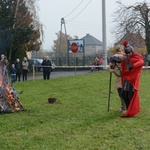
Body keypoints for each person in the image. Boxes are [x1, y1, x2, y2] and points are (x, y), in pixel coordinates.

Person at [113, 40, 144, 117]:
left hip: (133, 78)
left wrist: (133, 66)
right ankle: (128, 108)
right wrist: (114, 57)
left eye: (129, 53)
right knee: (124, 94)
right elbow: (121, 57)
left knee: (130, 94)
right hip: (127, 77)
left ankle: (131, 109)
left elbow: (141, 62)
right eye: (127, 53)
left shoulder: (137, 56)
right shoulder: (126, 57)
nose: (128, 55)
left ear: (132, 51)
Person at [109, 45, 126, 113]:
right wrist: (111, 67)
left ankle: (125, 108)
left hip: (124, 79)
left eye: (120, 51)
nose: (118, 53)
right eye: (117, 51)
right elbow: (112, 67)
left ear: (122, 51)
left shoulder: (124, 59)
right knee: (120, 95)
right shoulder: (115, 59)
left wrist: (114, 71)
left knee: (124, 94)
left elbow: (121, 72)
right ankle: (122, 108)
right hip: (118, 80)